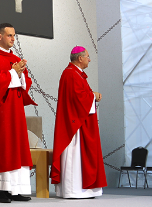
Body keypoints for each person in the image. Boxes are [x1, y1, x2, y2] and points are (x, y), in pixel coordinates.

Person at [0, 23, 37, 202]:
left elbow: (25, 82)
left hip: (15, 111)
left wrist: (20, 75)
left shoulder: (15, 58)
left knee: (17, 148)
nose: (13, 39)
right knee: (3, 148)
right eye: (9, 35)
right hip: (0, 111)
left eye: (14, 35)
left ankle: (15, 189)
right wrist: (13, 72)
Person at [50, 46, 107, 198]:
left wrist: (91, 95)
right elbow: (77, 98)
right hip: (74, 125)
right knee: (75, 155)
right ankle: (73, 190)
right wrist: (92, 95)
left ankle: (83, 189)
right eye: (88, 56)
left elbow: (81, 95)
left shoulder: (77, 74)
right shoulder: (70, 74)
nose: (89, 59)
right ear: (80, 58)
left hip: (79, 122)